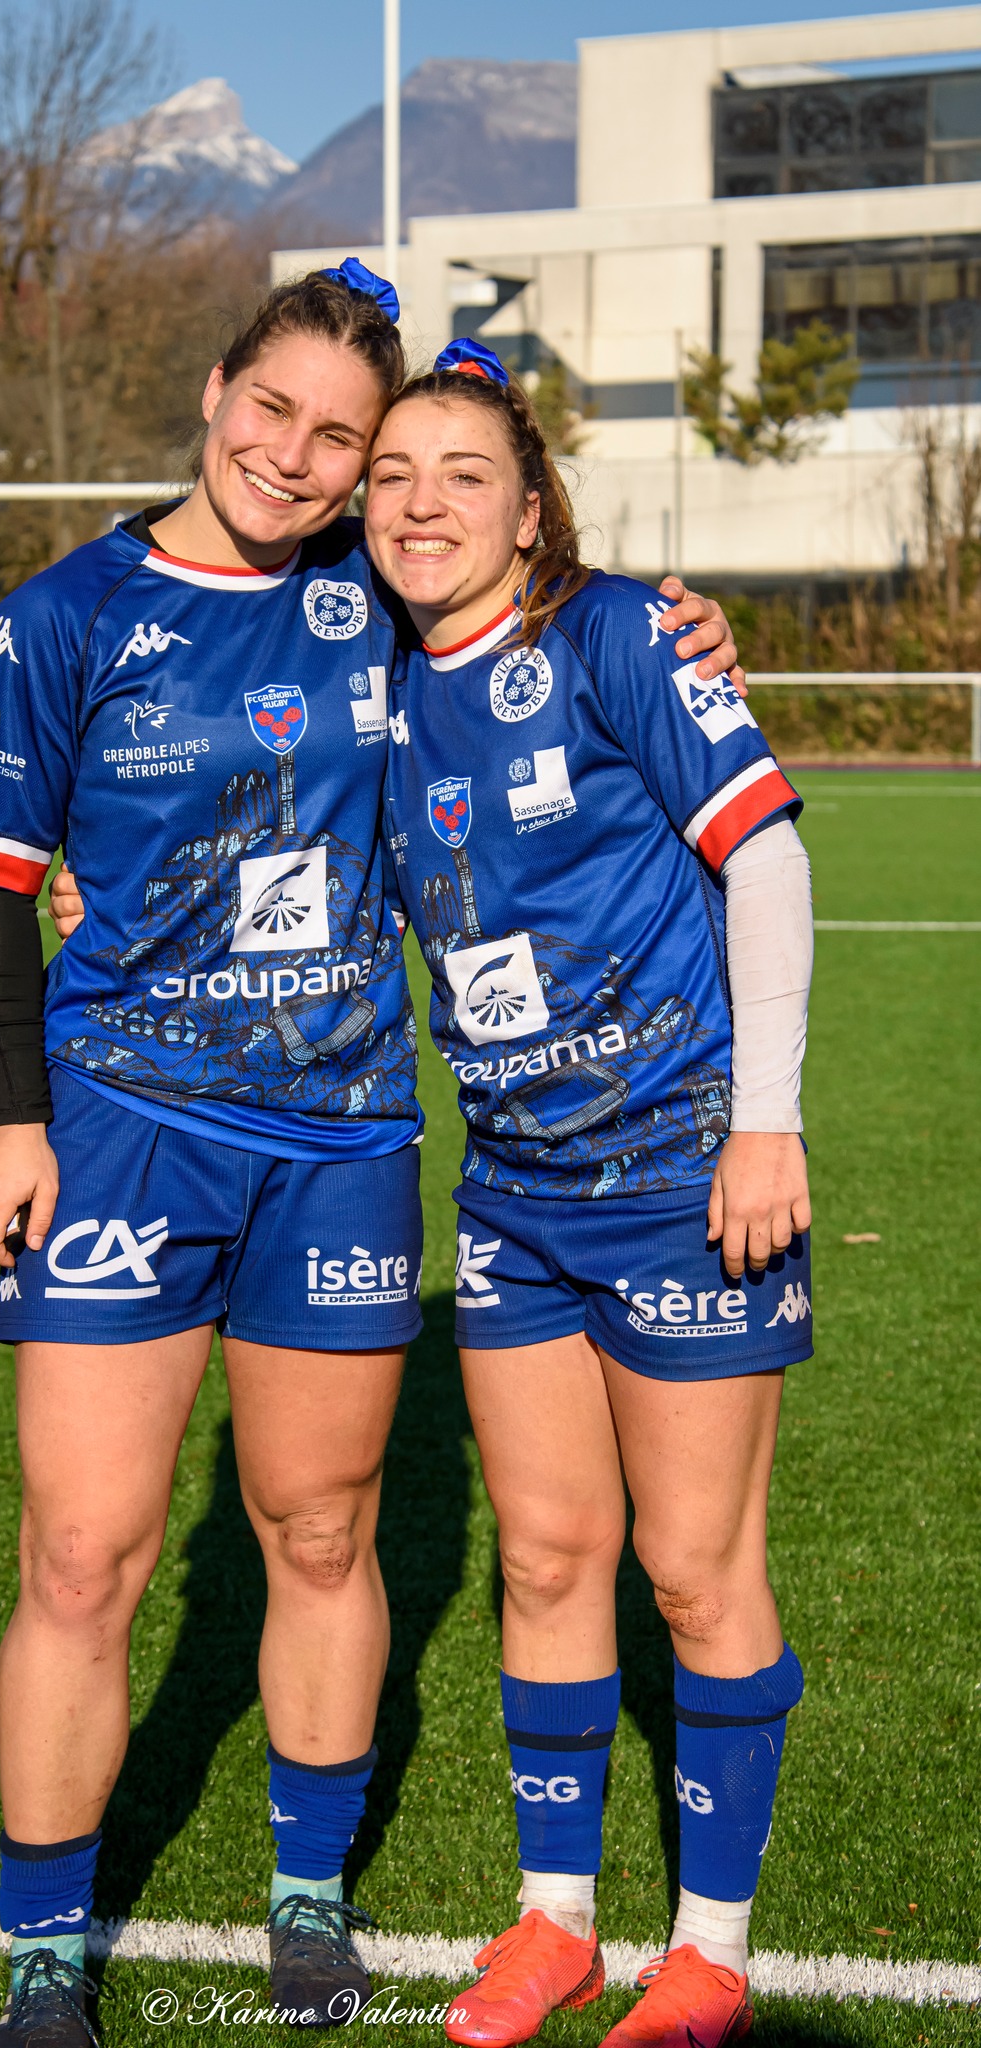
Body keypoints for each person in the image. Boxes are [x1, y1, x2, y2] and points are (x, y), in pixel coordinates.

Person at [0, 261, 746, 2047]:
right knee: (82, 1553)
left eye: (338, 439)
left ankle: (308, 1901)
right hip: (121, 1132)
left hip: (343, 1137)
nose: (296, 460)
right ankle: (45, 1952)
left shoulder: (374, 588)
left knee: (318, 1532)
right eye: (272, 411)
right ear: (213, 390)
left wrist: (679, 621)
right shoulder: (64, 615)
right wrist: (11, 1113)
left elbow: (532, 603)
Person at [363, 337, 813, 2048]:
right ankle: (553, 1921)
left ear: (530, 510)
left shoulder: (619, 635)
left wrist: (764, 1126)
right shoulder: (366, 683)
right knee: (550, 1557)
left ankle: (708, 1955)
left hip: (685, 1178)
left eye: (463, 474)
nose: (421, 504)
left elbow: (766, 861)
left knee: (692, 1570)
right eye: (392, 475)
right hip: (513, 1197)